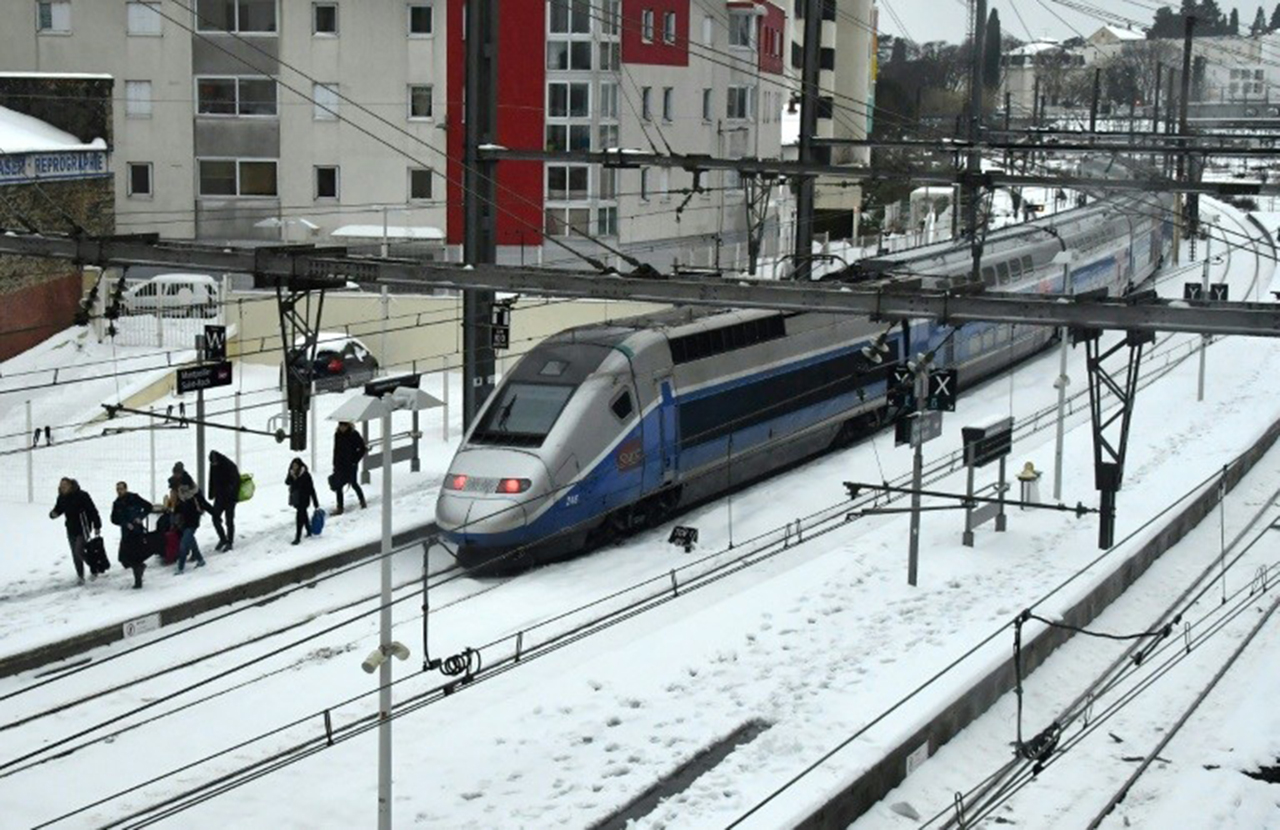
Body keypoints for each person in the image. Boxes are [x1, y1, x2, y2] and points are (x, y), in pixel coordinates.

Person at [48, 477, 101, 584]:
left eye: (65, 485)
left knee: (79, 551)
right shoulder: (62, 497)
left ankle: (94, 566)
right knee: (75, 553)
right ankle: (80, 576)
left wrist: (97, 525)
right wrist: (53, 514)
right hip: (70, 528)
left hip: (83, 527)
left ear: (71, 485)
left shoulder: (82, 495)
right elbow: (59, 509)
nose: (63, 487)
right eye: (61, 486)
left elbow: (92, 510)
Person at [111, 481, 155, 589]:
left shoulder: (134, 498)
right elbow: (114, 519)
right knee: (123, 558)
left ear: (126, 489)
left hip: (137, 532)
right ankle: (140, 568)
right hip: (126, 534)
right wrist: (124, 523)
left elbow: (148, 506)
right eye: (118, 489)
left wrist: (140, 517)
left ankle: (138, 581)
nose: (119, 491)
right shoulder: (117, 503)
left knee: (135, 557)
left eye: (121, 489)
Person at [331, 421, 367, 515]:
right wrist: (335, 463)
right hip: (340, 465)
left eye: (344, 426)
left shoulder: (354, 434)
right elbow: (336, 450)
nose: (342, 428)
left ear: (348, 426)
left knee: (353, 483)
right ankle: (340, 507)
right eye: (340, 426)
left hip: (351, 464)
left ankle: (362, 501)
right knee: (339, 486)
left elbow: (363, 448)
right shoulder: (337, 435)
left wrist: (355, 460)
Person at [207, 450, 240, 552]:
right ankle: (222, 539)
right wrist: (211, 494)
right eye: (212, 463)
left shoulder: (229, 465)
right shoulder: (214, 465)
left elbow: (236, 481)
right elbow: (211, 479)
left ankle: (229, 542)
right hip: (219, 497)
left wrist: (231, 492)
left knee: (229, 520)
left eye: (215, 463)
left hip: (230, 498)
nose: (213, 465)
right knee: (215, 518)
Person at [173, 484, 206, 573]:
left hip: (191, 526)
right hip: (184, 526)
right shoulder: (180, 501)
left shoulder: (192, 501)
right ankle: (200, 560)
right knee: (192, 543)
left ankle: (180, 568)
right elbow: (176, 512)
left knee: (183, 545)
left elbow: (196, 514)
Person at [286, 457, 318, 546]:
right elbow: (287, 482)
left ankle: (298, 537)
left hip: (304, 498)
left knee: (299, 517)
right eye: (293, 466)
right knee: (303, 515)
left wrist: (315, 502)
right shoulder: (292, 473)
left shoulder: (305, 475)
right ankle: (308, 530)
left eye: (296, 466)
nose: (294, 467)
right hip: (296, 498)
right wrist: (291, 476)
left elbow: (311, 489)